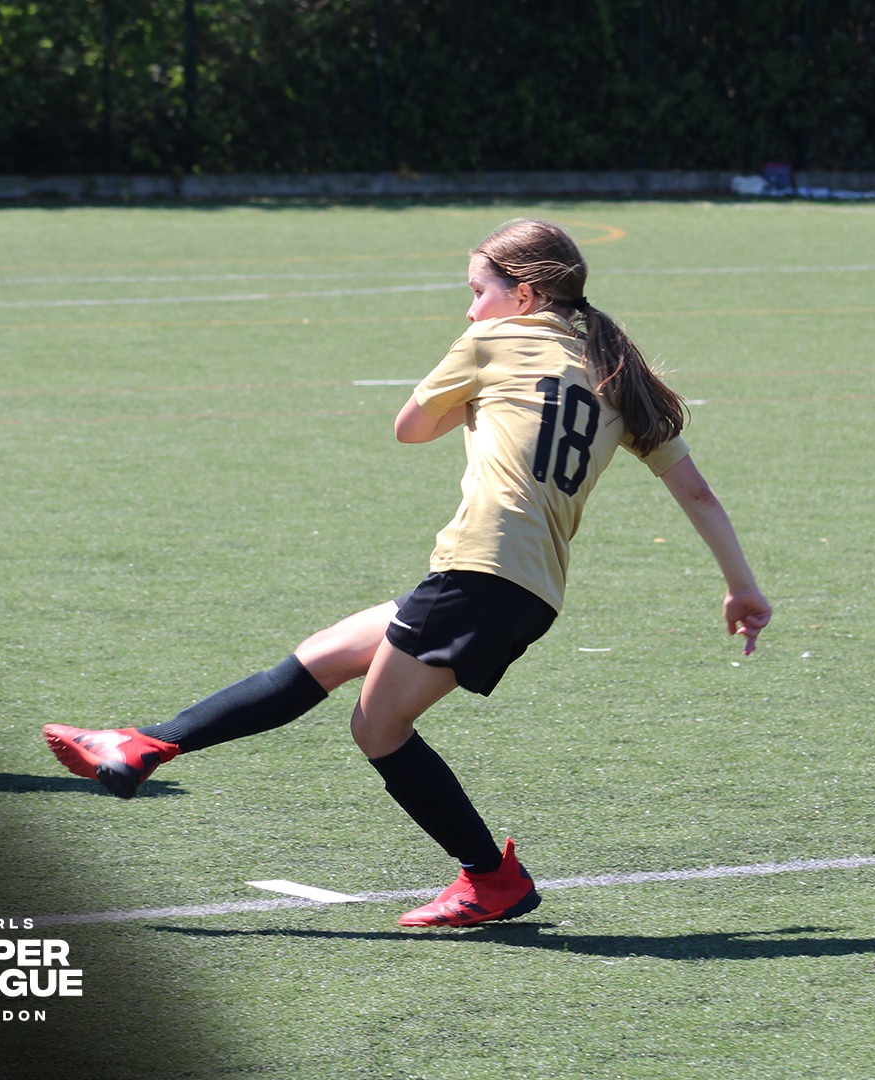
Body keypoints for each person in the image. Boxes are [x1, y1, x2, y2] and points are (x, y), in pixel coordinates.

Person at [44, 218, 771, 929]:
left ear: (521, 296)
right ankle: (143, 746)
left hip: (482, 571)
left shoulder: (492, 339)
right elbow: (698, 491)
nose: (469, 307)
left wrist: (475, 392)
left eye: (476, 290)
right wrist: (741, 586)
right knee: (326, 654)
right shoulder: (618, 372)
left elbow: (409, 428)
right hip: (527, 584)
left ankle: (493, 879)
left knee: (378, 727)